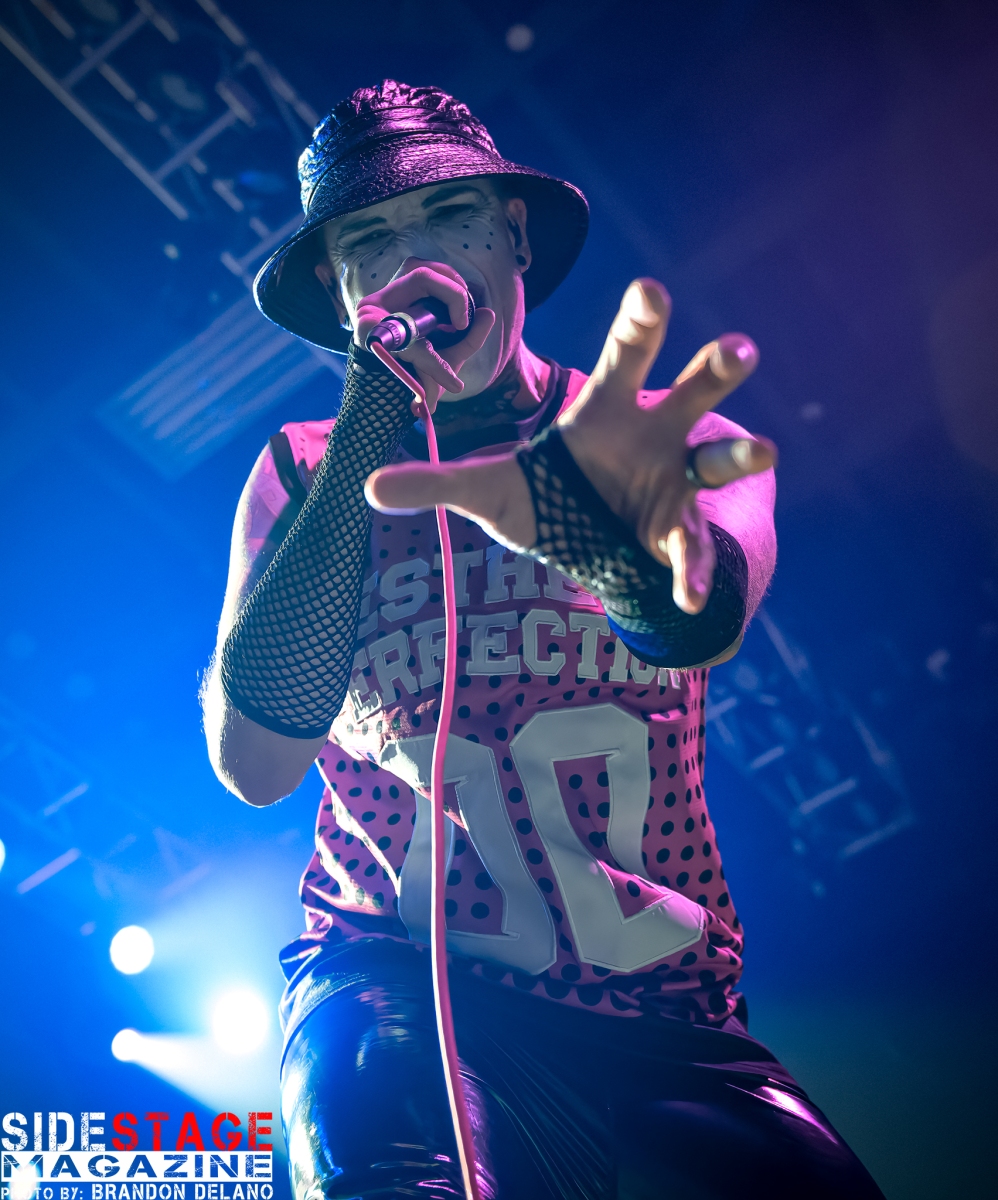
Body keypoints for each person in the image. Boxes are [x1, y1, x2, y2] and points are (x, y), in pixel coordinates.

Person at [203, 80, 884, 1200]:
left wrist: (606, 548)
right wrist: (370, 420)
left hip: (662, 1012)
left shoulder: (664, 439)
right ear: (338, 290)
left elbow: (694, 624)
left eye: (448, 215)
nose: (413, 256)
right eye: (368, 239)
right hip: (399, 983)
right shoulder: (298, 468)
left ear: (513, 236)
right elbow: (255, 763)